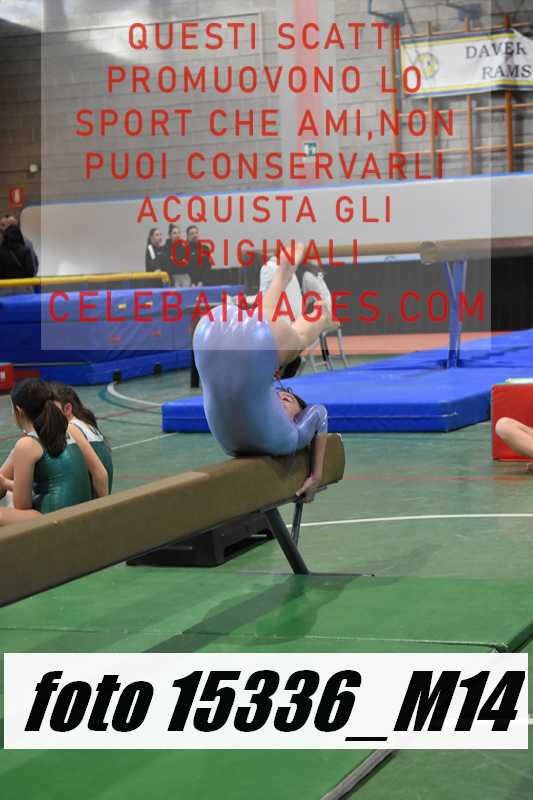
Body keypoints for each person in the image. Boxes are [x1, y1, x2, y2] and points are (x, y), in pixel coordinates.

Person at [193, 242, 330, 502]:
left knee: (269, 329)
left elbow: (317, 413)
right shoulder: (289, 437)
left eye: (286, 397)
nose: (283, 396)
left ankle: (290, 282)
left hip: (211, 333)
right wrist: (316, 474)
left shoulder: (285, 434)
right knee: (285, 334)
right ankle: (320, 313)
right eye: (288, 397)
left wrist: (316, 475)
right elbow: (318, 412)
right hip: (214, 332)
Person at [0, 379, 92, 525]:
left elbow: (22, 506)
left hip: (55, 519)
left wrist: (6, 483)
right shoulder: (65, 432)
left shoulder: (27, 445)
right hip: (80, 514)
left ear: (18, 411)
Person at [50, 383, 113, 497]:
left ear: (67, 409)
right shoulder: (86, 424)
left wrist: (106, 504)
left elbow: (100, 473)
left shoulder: (71, 428)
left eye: (52, 410)